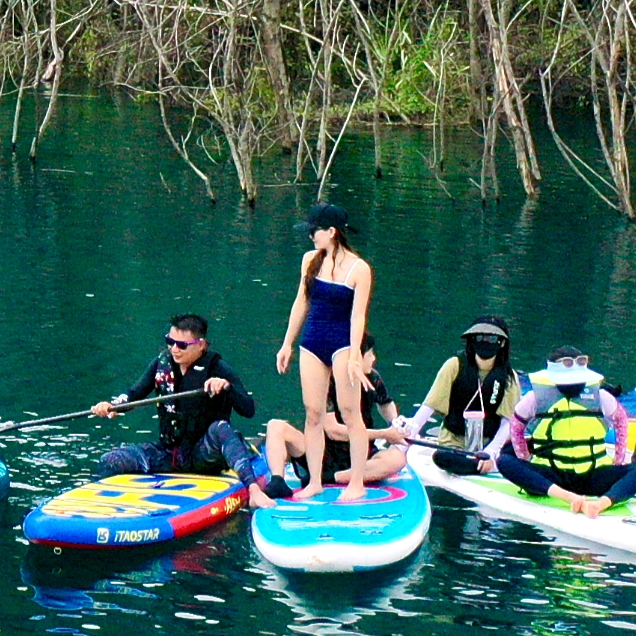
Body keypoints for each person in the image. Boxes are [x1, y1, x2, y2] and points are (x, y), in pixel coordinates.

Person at [439, 351, 636, 516]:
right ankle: (570, 498)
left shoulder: (602, 397)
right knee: (505, 461)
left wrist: (618, 460)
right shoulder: (534, 399)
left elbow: (621, 422)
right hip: (552, 476)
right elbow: (516, 427)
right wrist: (524, 457)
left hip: (593, 475)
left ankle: (601, 503)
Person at [92, 313, 258, 478]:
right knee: (110, 460)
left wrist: (227, 387)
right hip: (169, 453)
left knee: (220, 428)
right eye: (170, 342)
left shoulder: (218, 368)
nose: (174, 349)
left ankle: (253, 487)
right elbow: (134, 394)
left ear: (201, 345)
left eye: (181, 345)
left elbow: (248, 409)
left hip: (204, 454)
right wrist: (112, 406)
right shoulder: (161, 364)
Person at [276, 205, 376, 463]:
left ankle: (357, 479)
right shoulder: (310, 259)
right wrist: (287, 343)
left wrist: (354, 356)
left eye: (314, 231)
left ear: (331, 232)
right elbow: (301, 302)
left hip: (342, 342)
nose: (311, 236)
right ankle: (314, 479)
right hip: (313, 340)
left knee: (350, 413)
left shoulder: (359, 269)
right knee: (313, 413)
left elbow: (358, 316)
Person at [263, 347, 404, 501]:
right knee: (275, 426)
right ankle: (277, 481)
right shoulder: (326, 382)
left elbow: (385, 403)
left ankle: (331, 477)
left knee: (397, 459)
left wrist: (395, 424)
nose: (373, 358)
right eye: (369, 354)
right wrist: (385, 434)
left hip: (361, 453)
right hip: (322, 453)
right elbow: (333, 430)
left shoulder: (373, 377)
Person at [415, 316, 519, 451]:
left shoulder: (509, 377)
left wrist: (491, 451)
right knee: (444, 457)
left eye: (492, 338)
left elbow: (508, 420)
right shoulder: (454, 366)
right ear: (472, 340)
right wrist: (406, 438)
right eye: (480, 337)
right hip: (452, 443)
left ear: (502, 342)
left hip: (488, 445)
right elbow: (430, 406)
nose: (485, 342)